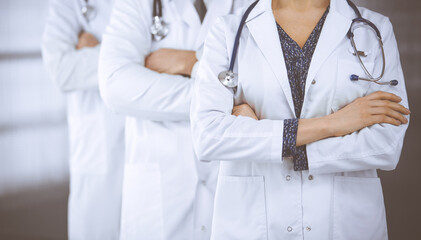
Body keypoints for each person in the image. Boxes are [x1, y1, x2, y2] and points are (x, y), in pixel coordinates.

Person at [191, 0, 410, 239]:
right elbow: (208, 136)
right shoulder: (228, 30)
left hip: (344, 220)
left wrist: (273, 141)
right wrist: (335, 123)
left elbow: (386, 144)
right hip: (254, 220)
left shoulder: (373, 29)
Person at [98, 0, 255, 239]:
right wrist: (219, 100)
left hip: (233, 183)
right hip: (162, 193)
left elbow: (265, 77)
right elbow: (116, 85)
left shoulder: (253, 4)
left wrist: (187, 61)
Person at [42, 0, 125, 239]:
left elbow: (174, 58)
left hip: (149, 136)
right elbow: (63, 71)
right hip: (97, 147)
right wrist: (130, 57)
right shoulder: (69, 4)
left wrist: (97, 51)